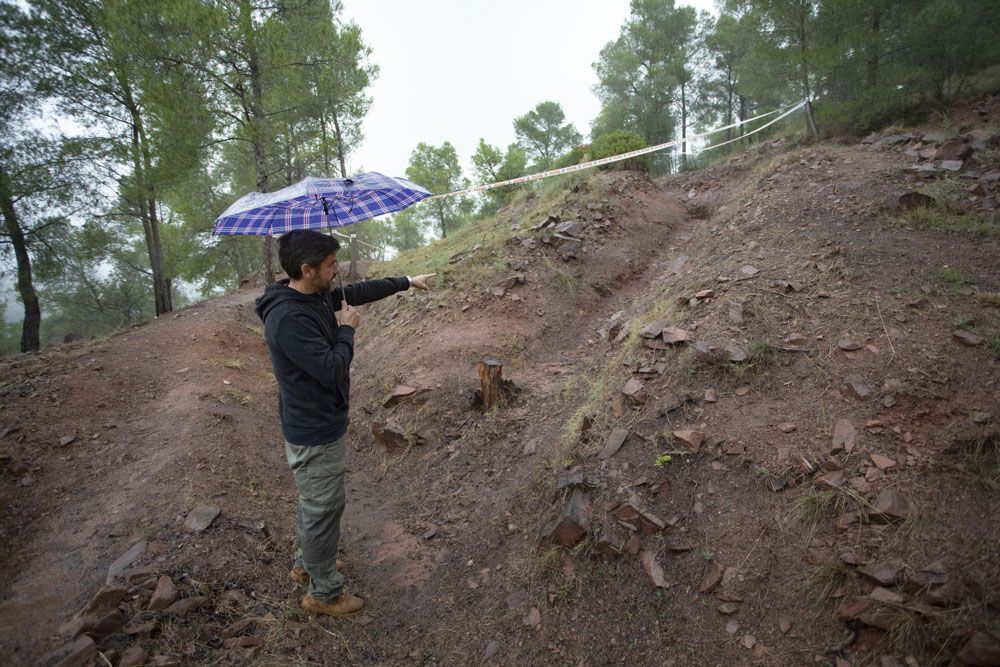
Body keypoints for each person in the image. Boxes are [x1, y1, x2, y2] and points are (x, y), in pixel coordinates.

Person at [255, 229, 435, 617]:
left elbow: (358, 291)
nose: (336, 272)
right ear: (307, 269)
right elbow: (333, 369)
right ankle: (325, 593)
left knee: (317, 503)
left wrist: (405, 282)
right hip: (313, 429)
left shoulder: (311, 294)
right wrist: (348, 329)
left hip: (319, 420)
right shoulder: (288, 319)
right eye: (331, 265)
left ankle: (308, 562)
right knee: (324, 508)